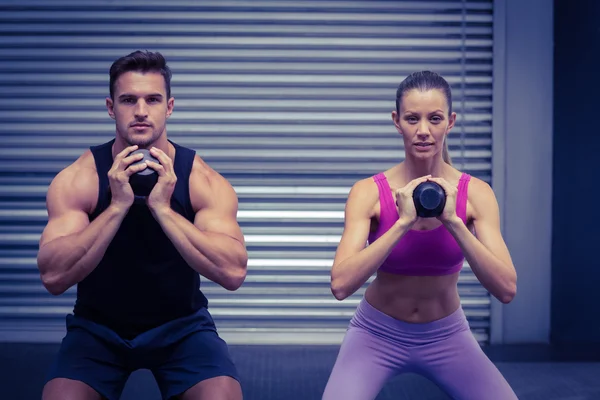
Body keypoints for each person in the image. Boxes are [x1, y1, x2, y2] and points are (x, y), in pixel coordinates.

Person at [37, 50, 248, 400]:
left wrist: (163, 209)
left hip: (181, 327)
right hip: (97, 328)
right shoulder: (80, 178)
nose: (140, 111)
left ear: (169, 106)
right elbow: (53, 277)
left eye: (152, 99)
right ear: (110, 107)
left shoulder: (200, 179)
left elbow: (233, 273)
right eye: (128, 100)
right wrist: (118, 206)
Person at [322, 71, 518, 400]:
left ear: (450, 122)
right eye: (412, 119)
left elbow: (506, 288)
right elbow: (340, 285)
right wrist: (401, 224)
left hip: (448, 336)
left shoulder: (476, 194)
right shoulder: (368, 192)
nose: (423, 130)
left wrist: (454, 221)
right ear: (397, 121)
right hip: (375, 334)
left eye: (435, 119)